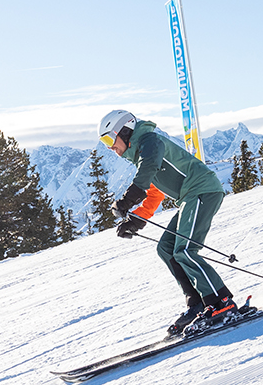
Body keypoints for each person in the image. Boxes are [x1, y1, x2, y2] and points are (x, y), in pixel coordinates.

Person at [99, 109, 241, 336]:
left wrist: (127, 200)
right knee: (166, 248)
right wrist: (136, 220)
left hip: (202, 190)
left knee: (185, 250)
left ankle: (220, 301)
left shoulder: (150, 142)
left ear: (124, 131)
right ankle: (197, 303)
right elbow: (154, 190)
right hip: (190, 197)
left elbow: (147, 170)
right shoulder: (142, 152)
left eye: (109, 140)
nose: (109, 147)